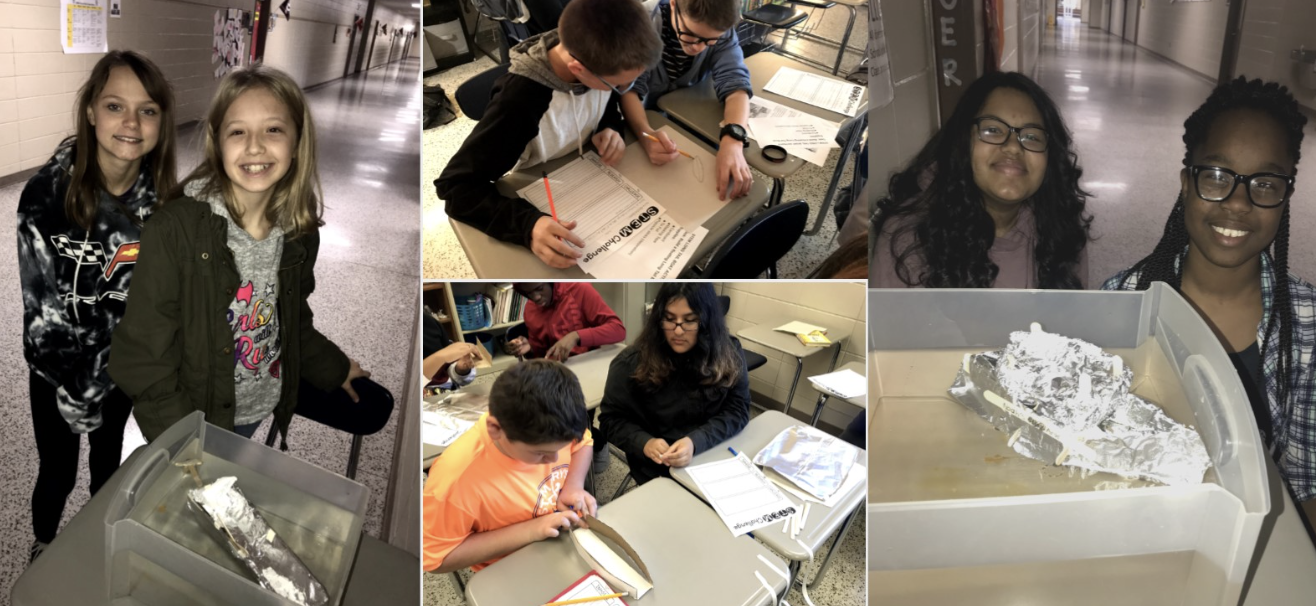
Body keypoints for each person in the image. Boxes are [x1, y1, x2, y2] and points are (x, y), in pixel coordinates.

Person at [108, 65, 393, 445]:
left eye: (273, 130)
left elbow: (291, 317)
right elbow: (142, 356)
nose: (255, 146)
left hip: (259, 400)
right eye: (238, 131)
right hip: (196, 410)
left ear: (297, 141)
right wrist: (181, 442)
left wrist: (333, 367)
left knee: (373, 407)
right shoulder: (174, 230)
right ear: (217, 142)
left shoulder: (297, 230)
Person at [1102, 77, 1316, 523]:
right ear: (1186, 181)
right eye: (1217, 176)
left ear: (1286, 196)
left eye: (1265, 183)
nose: (1238, 202)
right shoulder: (1122, 301)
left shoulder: (1307, 322)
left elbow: (1306, 486)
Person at [18, 51, 178, 563]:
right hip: (56, 372)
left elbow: (160, 306)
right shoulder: (45, 195)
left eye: (147, 110)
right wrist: (75, 388)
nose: (130, 123)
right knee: (57, 470)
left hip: (121, 368)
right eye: (115, 106)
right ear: (90, 111)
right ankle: (43, 543)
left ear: (161, 121)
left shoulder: (166, 207)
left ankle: (99, 542)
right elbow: (42, 314)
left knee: (109, 462)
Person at [434, 0, 662, 269]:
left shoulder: (600, 59)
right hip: (535, 183)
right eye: (617, 84)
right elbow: (455, 189)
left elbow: (608, 102)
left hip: (584, 173)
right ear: (579, 70)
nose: (625, 90)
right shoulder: (518, 102)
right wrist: (528, 225)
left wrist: (610, 126)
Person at [870, 71, 1093, 288]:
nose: (1013, 147)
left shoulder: (1062, 232)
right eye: (993, 129)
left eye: (1031, 136)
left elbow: (1071, 322)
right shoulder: (908, 237)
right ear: (963, 142)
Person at [423, 360, 597, 573]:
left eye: (559, 449)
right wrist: (531, 530)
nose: (554, 459)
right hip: (509, 567)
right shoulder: (455, 481)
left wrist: (573, 486)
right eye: (540, 453)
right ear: (495, 429)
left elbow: (583, 443)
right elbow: (438, 560)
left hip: (560, 542)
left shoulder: (556, 428)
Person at [599, 282, 750, 484]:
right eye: (669, 319)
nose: (678, 331)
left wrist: (696, 442)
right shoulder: (631, 363)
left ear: (706, 322)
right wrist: (644, 442)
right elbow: (610, 421)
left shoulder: (728, 352)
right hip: (659, 467)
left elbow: (738, 409)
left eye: (689, 321)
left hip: (712, 454)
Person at [622, 0, 752, 201]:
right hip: (644, 115)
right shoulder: (639, 22)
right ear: (673, 4)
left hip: (688, 113)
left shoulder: (722, 28)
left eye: (710, 41)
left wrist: (733, 140)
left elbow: (735, 85)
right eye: (690, 35)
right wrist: (645, 133)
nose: (699, 48)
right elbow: (629, 89)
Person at [506, 282, 626, 361]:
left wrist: (576, 336)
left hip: (587, 363)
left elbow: (618, 330)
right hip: (557, 372)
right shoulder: (530, 309)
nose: (535, 297)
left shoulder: (580, 289)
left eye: (540, 288)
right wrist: (530, 348)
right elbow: (541, 353)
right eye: (528, 293)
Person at [422, 312, 479, 390]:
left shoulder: (428, 323)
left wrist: (460, 370)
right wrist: (439, 357)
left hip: (445, 392)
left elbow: (451, 373)